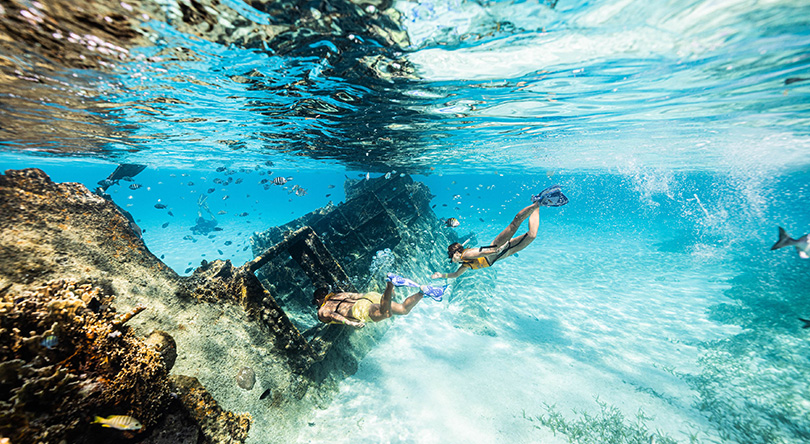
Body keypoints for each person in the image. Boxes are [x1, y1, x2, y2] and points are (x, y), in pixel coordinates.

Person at [431, 184, 568, 280]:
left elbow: (480, 251)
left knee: (514, 224)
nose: (452, 260)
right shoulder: (465, 263)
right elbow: (455, 275)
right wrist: (441, 275)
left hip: (497, 247)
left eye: (452, 257)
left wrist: (494, 250)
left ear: (456, 253)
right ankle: (538, 203)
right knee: (531, 235)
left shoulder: (466, 254)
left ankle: (536, 203)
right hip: (503, 254)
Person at [313, 281, 428, 328]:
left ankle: (390, 285)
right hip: (369, 297)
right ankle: (422, 292)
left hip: (359, 309)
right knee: (403, 310)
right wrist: (380, 298)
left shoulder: (322, 310)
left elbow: (334, 316)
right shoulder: (339, 295)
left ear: (318, 300)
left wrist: (350, 323)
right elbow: (357, 295)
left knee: (386, 313)